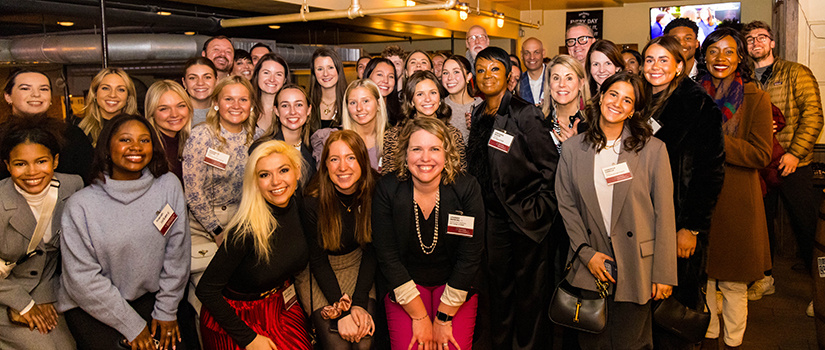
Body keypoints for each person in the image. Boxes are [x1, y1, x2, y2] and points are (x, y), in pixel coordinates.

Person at [556, 72, 677, 348]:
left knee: (632, 343)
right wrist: (585, 254)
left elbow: (665, 214)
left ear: (633, 110)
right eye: (613, 94)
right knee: (592, 344)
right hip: (591, 263)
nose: (617, 103)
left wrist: (664, 272)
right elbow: (567, 206)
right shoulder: (573, 149)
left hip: (638, 265)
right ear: (600, 98)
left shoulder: (653, 150)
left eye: (627, 100)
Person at [58, 114, 190, 350]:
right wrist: (133, 326)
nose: (136, 147)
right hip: (95, 306)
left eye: (144, 140)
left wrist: (167, 309)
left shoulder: (168, 185)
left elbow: (177, 253)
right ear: (107, 148)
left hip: (151, 300)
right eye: (125, 140)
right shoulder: (80, 205)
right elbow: (82, 280)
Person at [465, 47, 559, 350]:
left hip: (524, 218)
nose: (487, 76)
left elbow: (551, 168)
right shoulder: (479, 113)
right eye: (481, 70)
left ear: (508, 76)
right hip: (492, 221)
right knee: (498, 291)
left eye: (494, 69)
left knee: (528, 296)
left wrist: (537, 211)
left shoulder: (523, 112)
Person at [641, 35, 726, 350]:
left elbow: (711, 172)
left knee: (675, 312)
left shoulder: (699, 106)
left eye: (664, 60)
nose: (655, 67)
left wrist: (691, 226)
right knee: (644, 309)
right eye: (650, 59)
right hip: (641, 223)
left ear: (679, 66)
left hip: (679, 225)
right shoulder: (638, 101)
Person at [372, 117, 484, 350]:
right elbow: (387, 257)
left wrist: (443, 317)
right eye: (417, 149)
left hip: (456, 283)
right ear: (405, 154)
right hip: (405, 285)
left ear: (447, 153)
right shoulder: (387, 190)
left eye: (434, 149)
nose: (425, 158)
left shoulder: (467, 188)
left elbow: (470, 256)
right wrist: (420, 317)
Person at [195, 140, 312, 350]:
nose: (276, 181)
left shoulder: (299, 205)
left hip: (280, 304)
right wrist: (249, 339)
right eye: (264, 175)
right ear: (255, 182)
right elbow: (206, 290)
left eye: (283, 170)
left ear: (297, 172)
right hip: (237, 318)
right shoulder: (245, 230)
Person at [698, 27, 773, 350]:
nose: (720, 59)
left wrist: (718, 143)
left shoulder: (756, 96)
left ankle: (733, 340)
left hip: (738, 199)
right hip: (700, 197)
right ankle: (710, 333)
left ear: (740, 57)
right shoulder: (694, 94)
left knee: (732, 281)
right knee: (705, 277)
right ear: (704, 56)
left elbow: (761, 153)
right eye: (714, 51)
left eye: (729, 52)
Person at [743, 21, 824, 305]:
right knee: (760, 226)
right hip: (759, 166)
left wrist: (795, 154)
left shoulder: (796, 72)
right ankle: (765, 279)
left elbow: (814, 115)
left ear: (773, 42)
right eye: (750, 39)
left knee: (808, 229)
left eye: (761, 37)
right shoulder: (745, 79)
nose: (755, 43)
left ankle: (821, 292)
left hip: (793, 163)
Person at [0, 116, 83, 349]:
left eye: (41, 161)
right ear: (7, 165)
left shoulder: (72, 187)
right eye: (20, 164)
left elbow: (51, 256)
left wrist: (44, 296)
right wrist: (23, 305)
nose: (32, 172)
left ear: (55, 161)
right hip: (5, 293)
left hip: (44, 290)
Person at [182, 76, 262, 312]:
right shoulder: (202, 136)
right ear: (216, 103)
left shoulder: (258, 137)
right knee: (207, 304)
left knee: (241, 301)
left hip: (244, 222)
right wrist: (216, 229)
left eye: (243, 99)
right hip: (204, 227)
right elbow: (193, 190)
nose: (236, 105)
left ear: (251, 105)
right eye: (229, 99)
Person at [298, 130, 379, 349]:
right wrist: (341, 310)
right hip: (319, 273)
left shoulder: (375, 191)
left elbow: (372, 251)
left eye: (350, 157)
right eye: (334, 159)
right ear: (325, 165)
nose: (342, 167)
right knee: (339, 346)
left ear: (362, 160)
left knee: (364, 343)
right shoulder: (312, 202)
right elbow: (317, 260)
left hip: (359, 265)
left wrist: (359, 304)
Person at [1, 70, 93, 182]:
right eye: (25, 88)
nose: (36, 94)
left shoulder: (72, 135)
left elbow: (90, 180)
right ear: (8, 96)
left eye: (44, 89)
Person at [381, 70, 466, 175]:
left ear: (440, 98)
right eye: (420, 94)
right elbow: (388, 180)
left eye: (433, 93)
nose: (428, 99)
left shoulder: (453, 134)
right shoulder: (394, 135)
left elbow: (460, 176)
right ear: (411, 101)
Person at [312, 79, 388, 170]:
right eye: (353, 103)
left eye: (365, 101)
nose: (359, 108)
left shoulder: (392, 139)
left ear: (378, 104)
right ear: (347, 107)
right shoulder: (333, 138)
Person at [252, 84, 316, 180]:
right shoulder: (261, 149)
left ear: (308, 110)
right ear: (276, 111)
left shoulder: (315, 147)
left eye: (299, 105)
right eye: (285, 105)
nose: (292, 112)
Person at [144, 80, 192, 182]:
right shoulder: (146, 147)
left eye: (180, 106)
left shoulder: (190, 142)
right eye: (164, 109)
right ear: (152, 112)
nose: (174, 114)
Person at [77, 68, 139, 146]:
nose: (112, 95)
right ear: (95, 94)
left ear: (128, 97)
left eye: (120, 90)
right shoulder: (79, 130)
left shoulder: (139, 129)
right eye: (105, 88)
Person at [541, 54, 591, 151]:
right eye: (556, 78)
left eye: (569, 78)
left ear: (581, 83)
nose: (562, 84)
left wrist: (575, 144)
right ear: (549, 84)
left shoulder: (593, 122)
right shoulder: (538, 119)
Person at [441, 55, 481, 143]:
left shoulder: (481, 106)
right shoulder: (438, 106)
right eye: (445, 73)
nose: (450, 78)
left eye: (456, 72)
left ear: (468, 76)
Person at [309, 47, 347, 133]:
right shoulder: (307, 104)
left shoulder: (350, 101)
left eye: (330, 67)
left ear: (338, 70)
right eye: (320, 69)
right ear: (314, 73)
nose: (325, 74)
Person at [251, 53, 291, 131]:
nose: (272, 79)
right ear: (257, 75)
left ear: (285, 80)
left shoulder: (291, 111)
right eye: (266, 73)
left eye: (278, 74)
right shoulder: (245, 108)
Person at [364, 57, 403, 126]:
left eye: (391, 76)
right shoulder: (360, 110)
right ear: (368, 76)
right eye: (380, 75)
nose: (385, 80)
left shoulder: (400, 113)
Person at [182, 57, 218, 127]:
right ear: (184, 83)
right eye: (192, 78)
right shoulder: (177, 115)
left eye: (207, 77)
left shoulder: (227, 112)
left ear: (216, 81)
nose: (200, 83)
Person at [519, 37, 547, 105]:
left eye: (536, 52)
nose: (532, 57)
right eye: (527, 53)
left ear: (543, 53)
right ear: (521, 55)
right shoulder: (517, 82)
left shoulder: (554, 77)